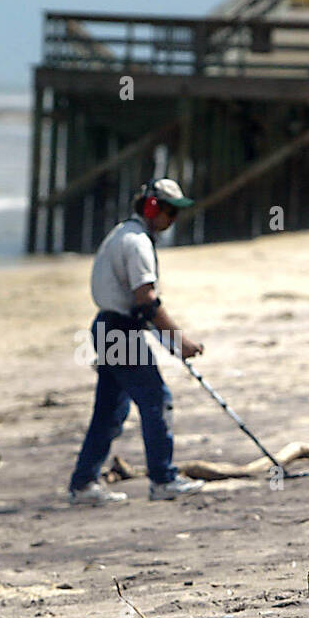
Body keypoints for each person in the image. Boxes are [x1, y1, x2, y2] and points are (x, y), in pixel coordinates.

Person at [68, 179, 207, 504]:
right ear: (152, 208)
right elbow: (146, 299)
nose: (173, 220)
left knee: (109, 411)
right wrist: (180, 341)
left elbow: (141, 306)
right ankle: (163, 480)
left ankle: (83, 484)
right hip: (120, 332)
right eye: (170, 212)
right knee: (157, 401)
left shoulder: (123, 234)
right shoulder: (137, 243)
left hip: (108, 328)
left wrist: (167, 338)